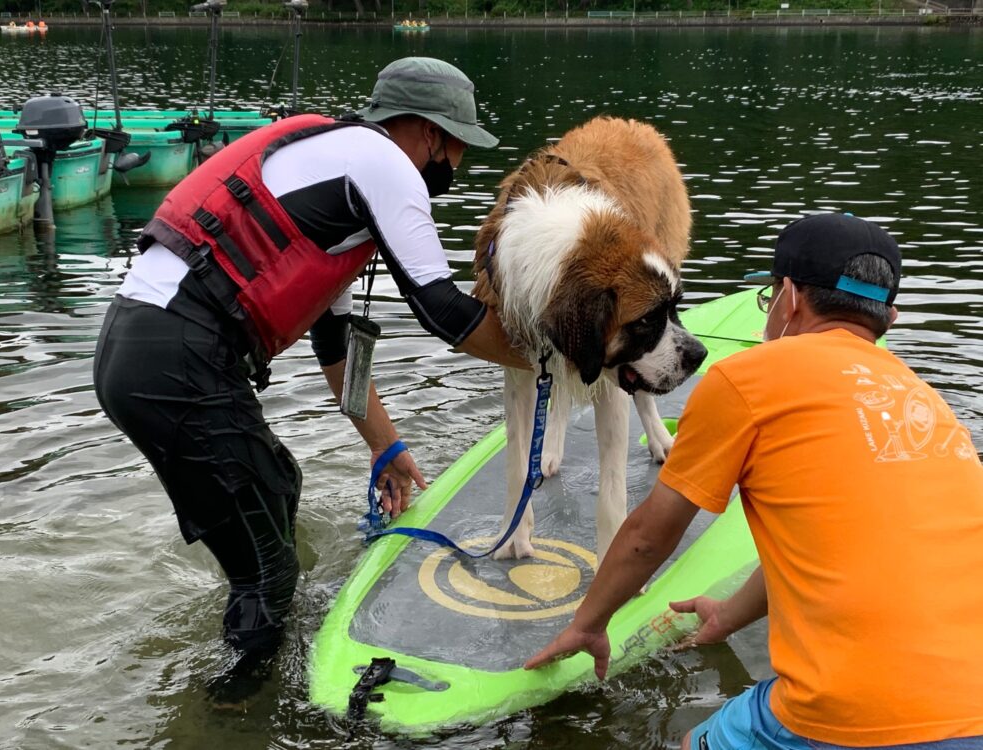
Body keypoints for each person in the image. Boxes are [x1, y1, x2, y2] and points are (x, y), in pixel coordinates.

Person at [93, 57, 529, 671]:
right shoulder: (383, 164)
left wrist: (385, 449)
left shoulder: (334, 186)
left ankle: (257, 640)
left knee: (279, 487)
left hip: (139, 348)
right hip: (176, 355)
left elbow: (335, 346)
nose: (456, 166)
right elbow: (445, 311)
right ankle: (236, 710)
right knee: (270, 571)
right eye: (459, 147)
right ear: (430, 134)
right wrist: (555, 357)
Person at [525, 213, 983, 748]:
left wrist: (588, 624)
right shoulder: (928, 404)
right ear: (890, 317)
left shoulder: (746, 379)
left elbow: (651, 533)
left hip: (848, 712)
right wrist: (726, 616)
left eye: (768, 301)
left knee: (692, 741)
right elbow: (835, 548)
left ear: (788, 298)